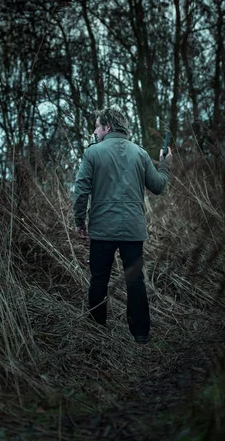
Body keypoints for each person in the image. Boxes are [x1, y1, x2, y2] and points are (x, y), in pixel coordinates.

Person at [73, 106, 173, 344]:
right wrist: (165, 164)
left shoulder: (93, 153)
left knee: (99, 280)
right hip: (132, 230)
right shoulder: (139, 153)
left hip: (102, 230)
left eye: (97, 126)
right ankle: (141, 334)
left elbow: (81, 191)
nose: (95, 131)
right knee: (135, 280)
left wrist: (80, 221)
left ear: (107, 127)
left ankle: (97, 332)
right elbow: (158, 186)